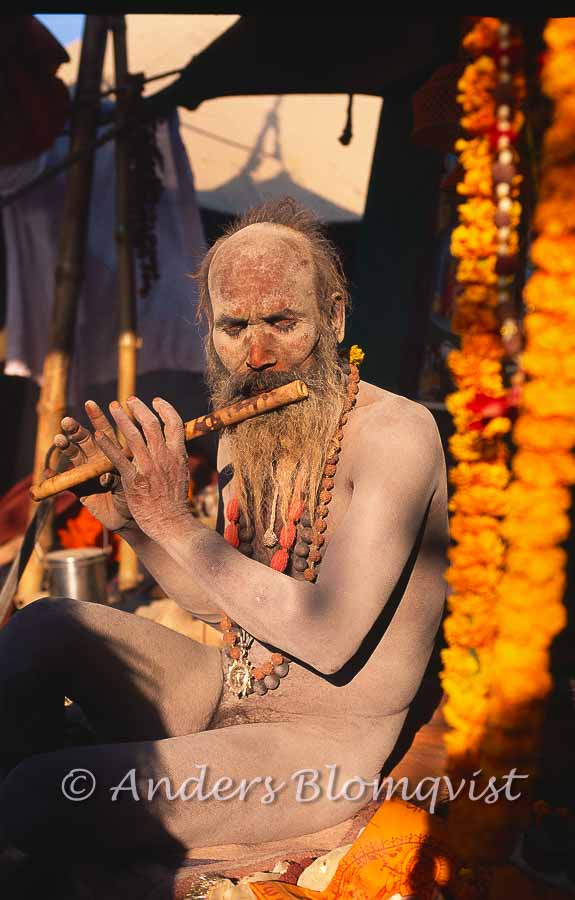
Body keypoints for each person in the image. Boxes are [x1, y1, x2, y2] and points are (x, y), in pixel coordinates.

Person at [0, 198, 449, 859]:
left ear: (334, 317)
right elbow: (222, 607)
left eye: (281, 322)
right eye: (234, 326)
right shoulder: (246, 430)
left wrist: (170, 519)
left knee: (40, 792)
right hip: (226, 688)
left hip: (316, 753)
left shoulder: (397, 436)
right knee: (46, 625)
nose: (257, 352)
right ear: (207, 329)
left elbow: (327, 639)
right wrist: (130, 523)